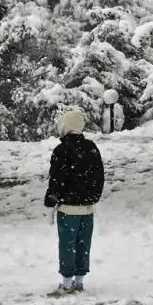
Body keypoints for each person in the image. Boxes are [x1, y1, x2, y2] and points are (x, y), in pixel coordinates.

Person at [43, 109, 104, 295]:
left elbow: (57, 179)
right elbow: (99, 176)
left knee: (67, 245)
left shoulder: (62, 150)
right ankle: (79, 281)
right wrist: (93, 197)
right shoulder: (91, 147)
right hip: (88, 208)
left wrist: (50, 200)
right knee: (83, 244)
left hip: (68, 208)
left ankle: (67, 283)